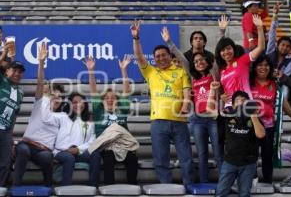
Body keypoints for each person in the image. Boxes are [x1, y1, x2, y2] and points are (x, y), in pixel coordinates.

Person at [131, 20, 194, 185]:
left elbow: (187, 91)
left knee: (186, 158)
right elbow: (138, 56)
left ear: (170, 56)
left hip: (179, 121)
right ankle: (166, 187)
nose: (161, 58)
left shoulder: (180, 71)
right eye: (157, 56)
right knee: (160, 159)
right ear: (155, 59)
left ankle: (188, 185)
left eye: (164, 55)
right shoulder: (150, 72)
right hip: (158, 121)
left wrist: (186, 104)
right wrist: (136, 39)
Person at [161, 26, 223, 183]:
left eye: (202, 60)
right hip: (197, 120)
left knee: (218, 152)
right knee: (201, 153)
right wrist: (169, 42)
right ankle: (203, 182)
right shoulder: (192, 77)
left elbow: (217, 55)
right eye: (196, 61)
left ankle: (224, 182)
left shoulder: (213, 73)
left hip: (213, 119)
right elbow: (182, 58)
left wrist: (221, 33)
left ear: (206, 61)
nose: (199, 62)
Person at [13, 43, 65, 186]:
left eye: (59, 97)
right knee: (22, 151)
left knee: (48, 158)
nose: (56, 98)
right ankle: (15, 187)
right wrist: (41, 63)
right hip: (27, 145)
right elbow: (40, 84)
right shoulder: (40, 102)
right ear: (48, 95)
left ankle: (49, 189)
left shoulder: (62, 117)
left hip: (44, 151)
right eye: (54, 95)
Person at [85, 55, 138, 185]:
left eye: (113, 97)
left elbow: (127, 91)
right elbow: (93, 89)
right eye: (107, 97)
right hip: (107, 146)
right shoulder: (99, 111)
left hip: (123, 144)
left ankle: (132, 186)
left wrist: (124, 70)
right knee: (108, 156)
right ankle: (110, 188)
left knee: (132, 158)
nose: (110, 99)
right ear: (102, 100)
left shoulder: (121, 110)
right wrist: (91, 71)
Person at [250, 54, 291, 184]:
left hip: (269, 127)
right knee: (251, 156)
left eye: (266, 65)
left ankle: (267, 182)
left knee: (267, 157)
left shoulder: (274, 84)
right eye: (260, 65)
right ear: (255, 67)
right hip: (251, 127)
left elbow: (283, 102)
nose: (263, 67)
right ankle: (251, 180)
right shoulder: (248, 83)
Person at [207, 89, 266, 197]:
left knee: (244, 194)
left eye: (244, 101)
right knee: (220, 193)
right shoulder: (227, 116)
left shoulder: (254, 118)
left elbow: (261, 135)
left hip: (248, 163)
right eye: (238, 101)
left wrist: (253, 116)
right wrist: (212, 91)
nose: (241, 103)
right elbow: (209, 109)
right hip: (229, 162)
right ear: (233, 105)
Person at [215, 14, 265, 107]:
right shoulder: (222, 70)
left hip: (246, 106)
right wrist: (221, 95)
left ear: (234, 49)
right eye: (222, 50)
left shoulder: (243, 60)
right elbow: (222, 89)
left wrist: (259, 28)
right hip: (229, 108)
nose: (226, 52)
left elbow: (260, 47)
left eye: (228, 48)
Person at [46, 91, 95, 186]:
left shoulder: (90, 121)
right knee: (69, 158)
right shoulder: (62, 117)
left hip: (80, 153)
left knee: (95, 154)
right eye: (75, 102)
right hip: (62, 152)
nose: (78, 105)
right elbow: (46, 116)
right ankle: (65, 188)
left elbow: (92, 141)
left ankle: (93, 187)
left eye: (81, 102)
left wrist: (78, 149)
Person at [0, 60, 25, 186]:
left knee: (5, 164)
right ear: (7, 71)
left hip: (6, 132)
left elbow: (15, 114)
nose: (17, 73)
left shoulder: (20, 92)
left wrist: (10, 134)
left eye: (20, 72)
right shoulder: (2, 81)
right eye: (14, 70)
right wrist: (4, 53)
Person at [266, 2, 291, 99]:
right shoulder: (270, 50)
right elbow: (272, 33)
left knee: (285, 91)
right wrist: (275, 15)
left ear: (290, 49)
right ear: (277, 45)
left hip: (279, 83)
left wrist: (278, 75)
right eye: (282, 45)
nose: (285, 48)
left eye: (288, 46)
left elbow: (285, 75)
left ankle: (281, 112)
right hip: (265, 79)